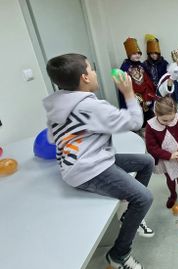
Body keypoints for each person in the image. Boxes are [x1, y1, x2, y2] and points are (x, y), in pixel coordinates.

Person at [43, 53, 154, 268]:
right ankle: (119, 255)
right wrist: (129, 94)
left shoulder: (58, 103)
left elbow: (51, 137)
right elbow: (134, 121)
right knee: (144, 198)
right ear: (85, 77)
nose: (95, 73)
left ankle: (128, 215)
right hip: (89, 169)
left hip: (85, 161)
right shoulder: (91, 106)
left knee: (147, 162)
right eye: (91, 69)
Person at [145, 96, 178, 220]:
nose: (168, 122)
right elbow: (152, 147)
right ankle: (173, 195)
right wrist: (169, 155)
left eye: (171, 119)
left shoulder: (176, 119)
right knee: (170, 178)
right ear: (156, 114)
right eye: (164, 120)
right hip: (165, 159)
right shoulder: (151, 126)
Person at [119, 37, 156, 127]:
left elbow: (148, 80)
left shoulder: (142, 65)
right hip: (135, 98)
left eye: (139, 53)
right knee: (138, 121)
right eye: (134, 53)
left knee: (150, 119)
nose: (137, 55)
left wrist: (149, 95)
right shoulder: (124, 67)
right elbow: (124, 85)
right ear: (129, 54)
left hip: (146, 97)